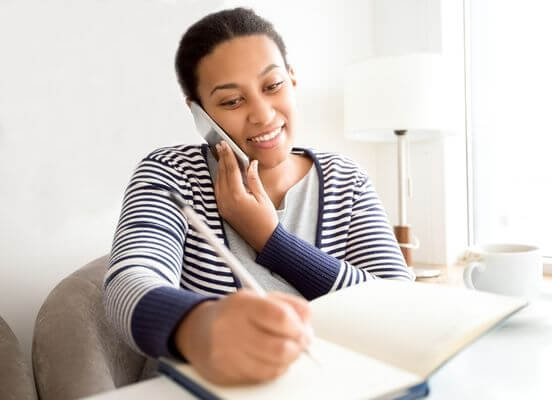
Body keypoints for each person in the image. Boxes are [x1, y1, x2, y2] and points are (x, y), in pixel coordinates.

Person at [103, 7, 413, 386]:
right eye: (232, 101)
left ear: (293, 80)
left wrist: (272, 240)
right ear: (199, 114)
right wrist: (199, 327)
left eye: (273, 86)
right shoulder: (171, 174)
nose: (263, 115)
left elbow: (400, 306)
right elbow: (127, 282)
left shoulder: (344, 179)